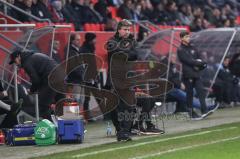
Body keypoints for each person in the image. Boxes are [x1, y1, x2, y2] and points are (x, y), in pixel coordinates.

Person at [8, 50, 65, 120]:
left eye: (14, 61)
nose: (15, 64)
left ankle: (49, 128)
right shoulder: (33, 56)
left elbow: (36, 80)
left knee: (42, 107)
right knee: (61, 104)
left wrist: (32, 90)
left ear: (18, 56)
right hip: (60, 76)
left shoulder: (26, 63)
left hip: (51, 79)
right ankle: (65, 126)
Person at [105, 19, 138, 141]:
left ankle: (125, 131)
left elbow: (136, 54)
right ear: (119, 29)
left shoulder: (132, 41)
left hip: (129, 78)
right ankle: (120, 129)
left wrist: (126, 52)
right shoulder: (111, 42)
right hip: (115, 78)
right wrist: (128, 52)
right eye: (125, 29)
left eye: (129, 29)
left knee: (129, 106)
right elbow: (119, 55)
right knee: (116, 107)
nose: (127, 32)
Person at [177, 31, 211, 120]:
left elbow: (199, 57)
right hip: (188, 75)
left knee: (201, 92)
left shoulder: (193, 47)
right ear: (181, 38)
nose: (188, 38)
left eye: (189, 36)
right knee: (190, 94)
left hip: (197, 73)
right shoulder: (180, 49)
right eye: (186, 37)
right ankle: (191, 113)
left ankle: (204, 110)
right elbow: (188, 61)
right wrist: (198, 63)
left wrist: (201, 63)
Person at [79, 32, 99, 122]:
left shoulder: (90, 48)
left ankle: (107, 115)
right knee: (87, 98)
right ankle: (88, 117)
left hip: (93, 77)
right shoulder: (83, 50)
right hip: (87, 78)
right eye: (94, 39)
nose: (96, 41)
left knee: (98, 96)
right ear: (90, 39)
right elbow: (85, 65)